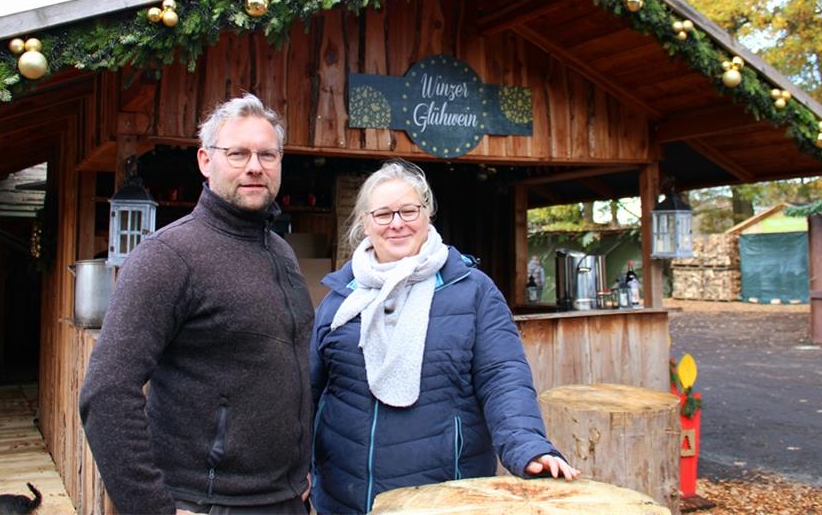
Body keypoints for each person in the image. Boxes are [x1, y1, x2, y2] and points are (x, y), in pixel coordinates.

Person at [79, 94, 314, 515]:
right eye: (238, 153)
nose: (255, 166)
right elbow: (108, 392)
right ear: (206, 161)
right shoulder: (168, 256)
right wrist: (153, 508)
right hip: (207, 503)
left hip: (284, 499)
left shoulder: (280, 251)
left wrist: (300, 468)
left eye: (267, 154)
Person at [310, 160, 580, 514]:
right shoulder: (341, 298)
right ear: (365, 223)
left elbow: (502, 377)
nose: (397, 223)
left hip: (444, 498)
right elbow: (309, 389)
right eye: (383, 214)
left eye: (409, 210)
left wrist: (527, 445)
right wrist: (294, 466)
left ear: (428, 215)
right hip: (347, 499)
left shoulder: (472, 290)